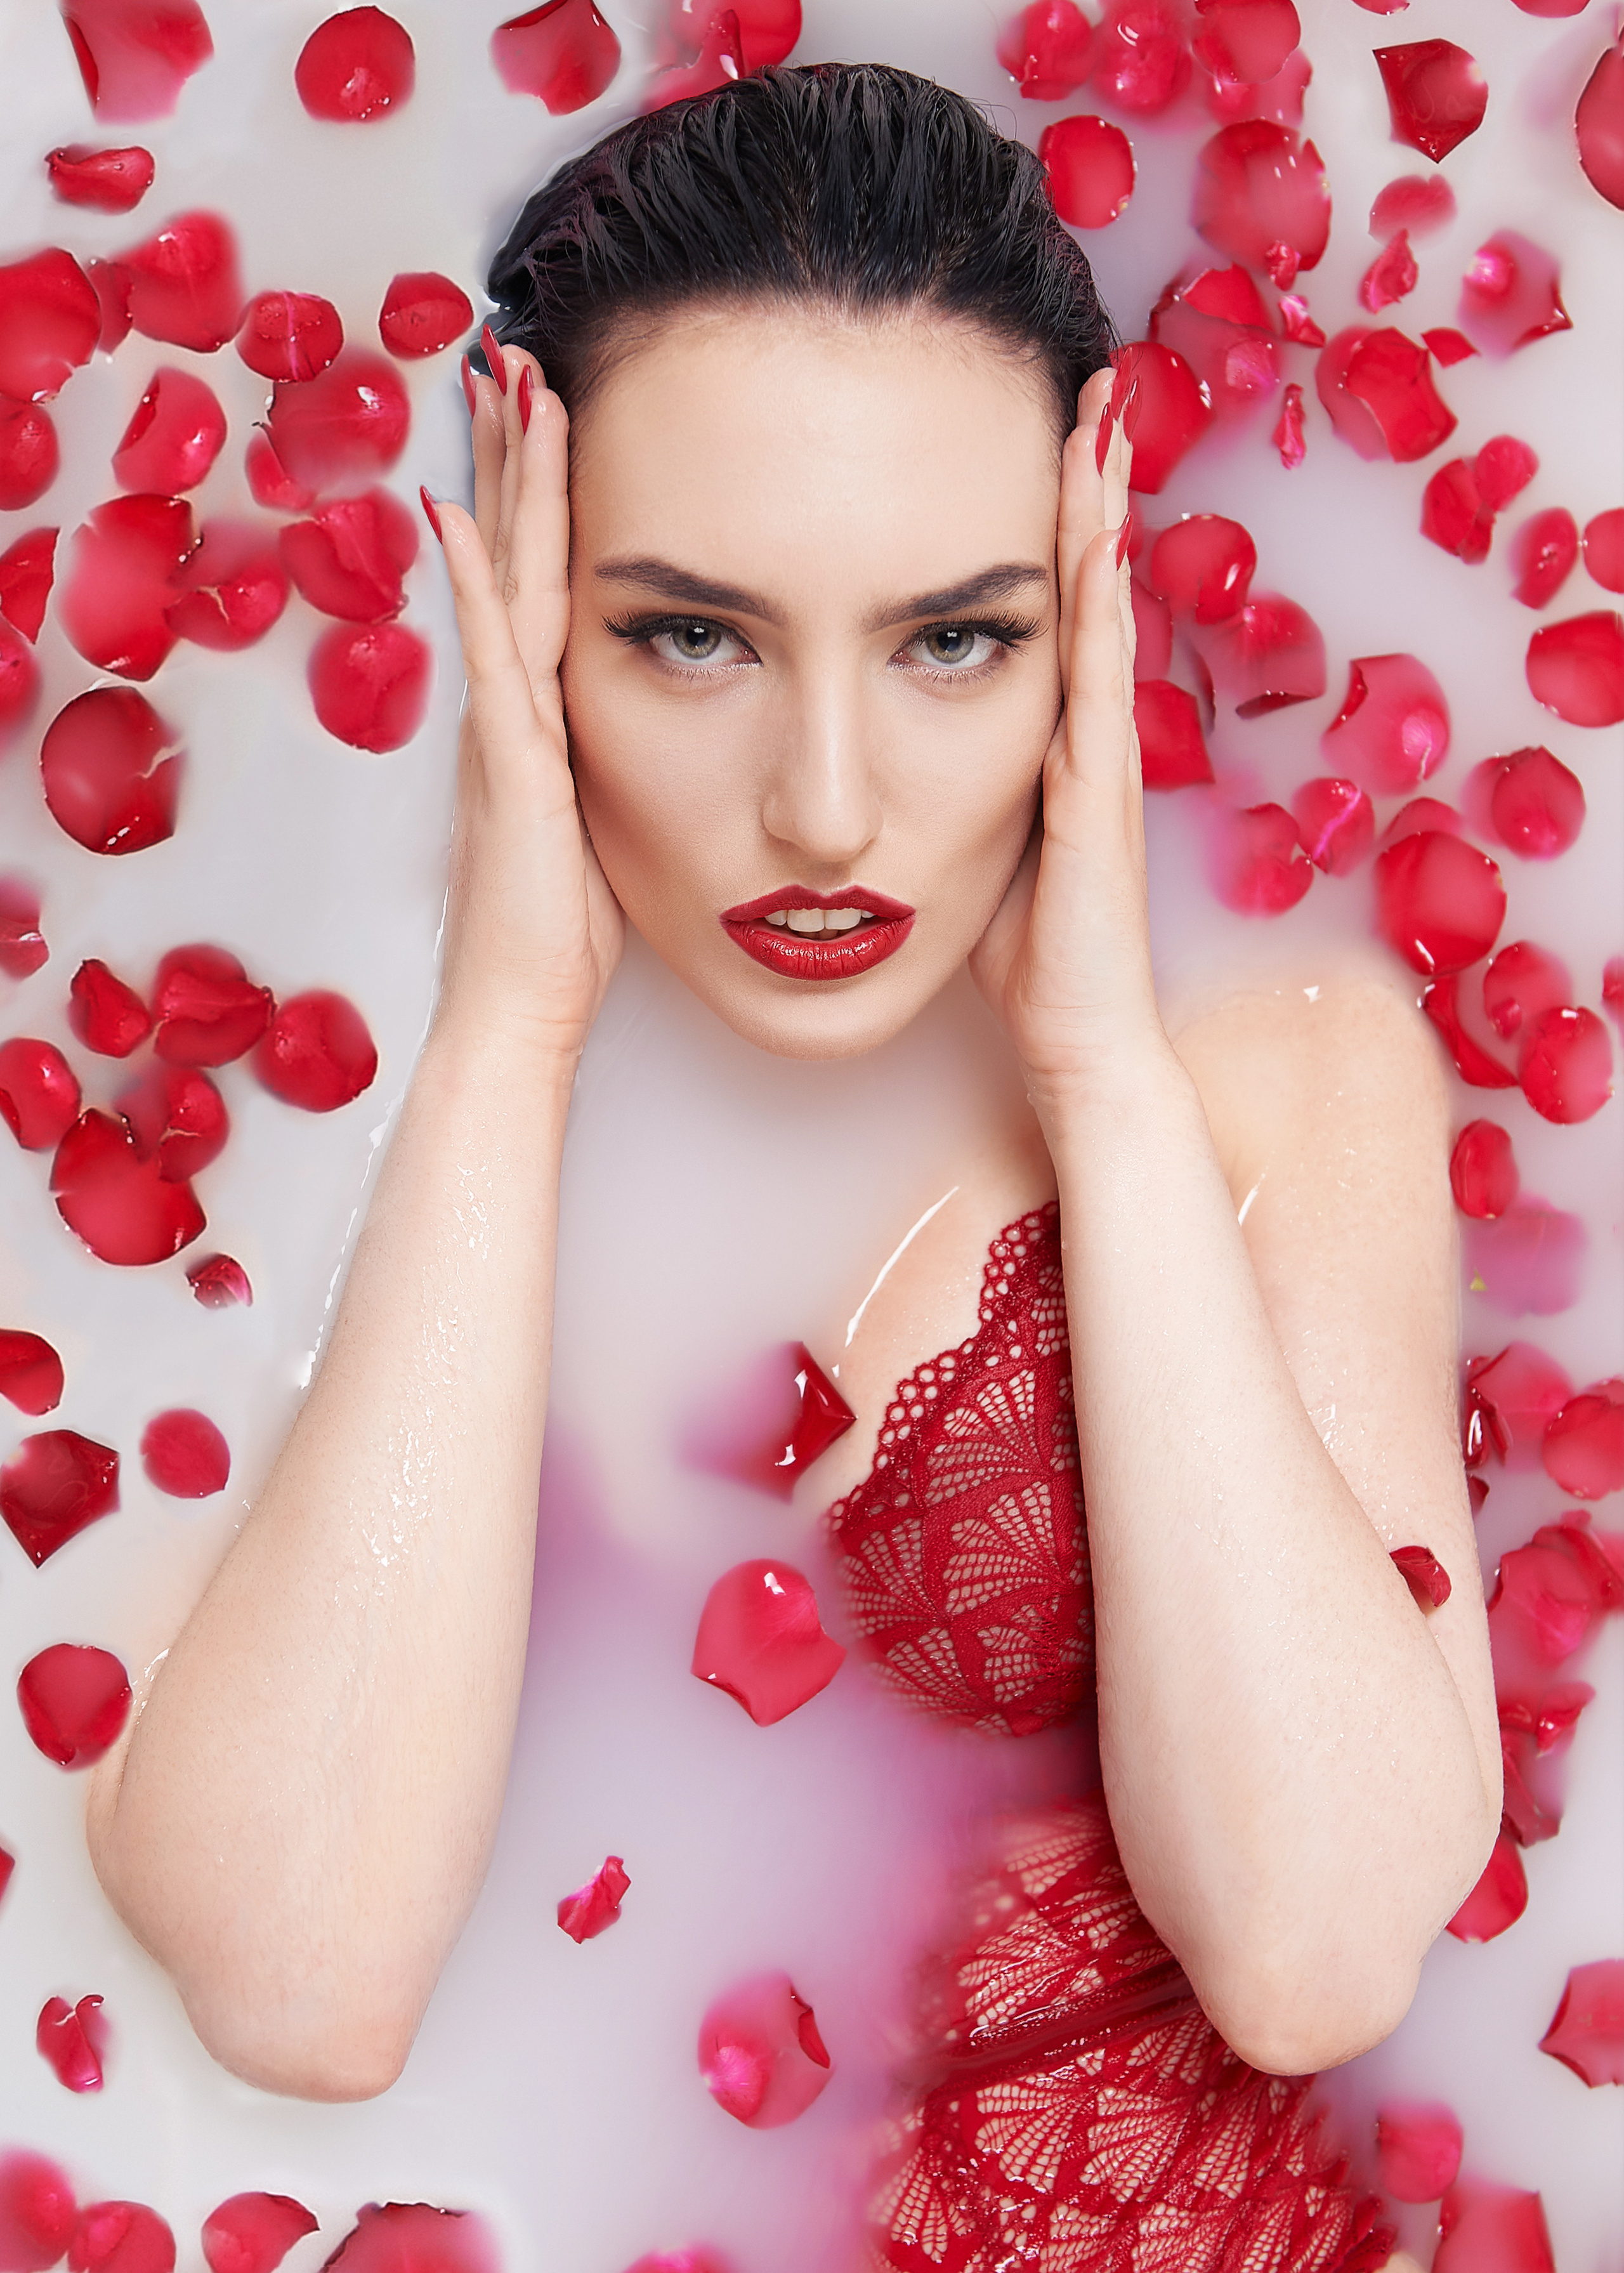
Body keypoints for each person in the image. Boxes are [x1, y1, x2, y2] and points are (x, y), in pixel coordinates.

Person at [84, 62, 1500, 2272]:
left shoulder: (1271, 1072)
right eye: (689, 635)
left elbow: (1318, 1949)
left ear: (1082, 606)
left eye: (958, 639)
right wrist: (503, 1039)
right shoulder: (284, 1128)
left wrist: (1102, 1068)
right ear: (528, 604)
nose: (828, 807)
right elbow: (298, 1983)